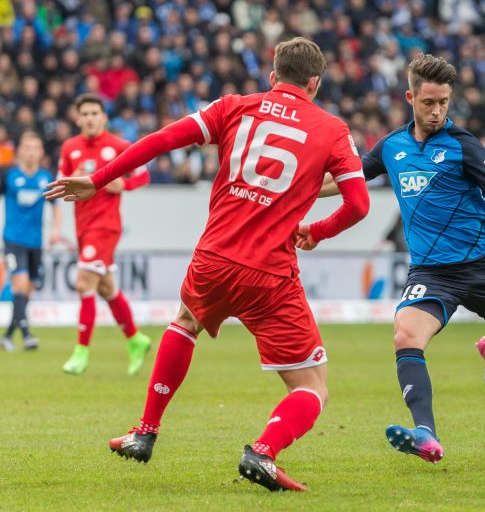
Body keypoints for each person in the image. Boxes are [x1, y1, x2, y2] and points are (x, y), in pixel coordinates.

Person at [45, 37, 370, 491]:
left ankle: (145, 432)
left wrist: (98, 180)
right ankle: (263, 451)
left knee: (185, 321)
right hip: (270, 273)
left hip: (214, 257)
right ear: (315, 83)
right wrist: (315, 232)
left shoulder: (234, 106)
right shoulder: (332, 129)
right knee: (312, 387)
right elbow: (358, 205)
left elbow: (161, 141)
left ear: (272, 76)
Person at [321, 54, 485, 463]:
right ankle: (426, 433)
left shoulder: (464, 146)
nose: (437, 110)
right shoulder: (392, 147)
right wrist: (291, 189)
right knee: (406, 334)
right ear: (410, 98)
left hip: (483, 266)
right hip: (431, 272)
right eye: (428, 103)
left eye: (443, 102)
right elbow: (342, 180)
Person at [59, 94, 152, 376]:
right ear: (77, 119)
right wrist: (70, 180)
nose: (89, 118)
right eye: (84, 113)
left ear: (104, 118)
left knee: (83, 282)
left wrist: (124, 185)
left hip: (106, 227)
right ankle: (136, 339)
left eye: (94, 113)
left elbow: (144, 175)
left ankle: (81, 352)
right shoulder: (70, 147)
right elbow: (61, 182)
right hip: (83, 227)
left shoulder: (119, 146)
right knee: (106, 288)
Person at [1, 131, 62, 351]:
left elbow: (56, 207)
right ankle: (26, 335)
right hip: (12, 240)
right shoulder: (8, 175)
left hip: (36, 242)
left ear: (41, 152)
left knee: (27, 289)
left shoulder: (46, 177)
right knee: (19, 282)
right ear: (19, 151)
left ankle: (9, 335)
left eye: (36, 147)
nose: (31, 152)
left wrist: (56, 230)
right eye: (27, 147)